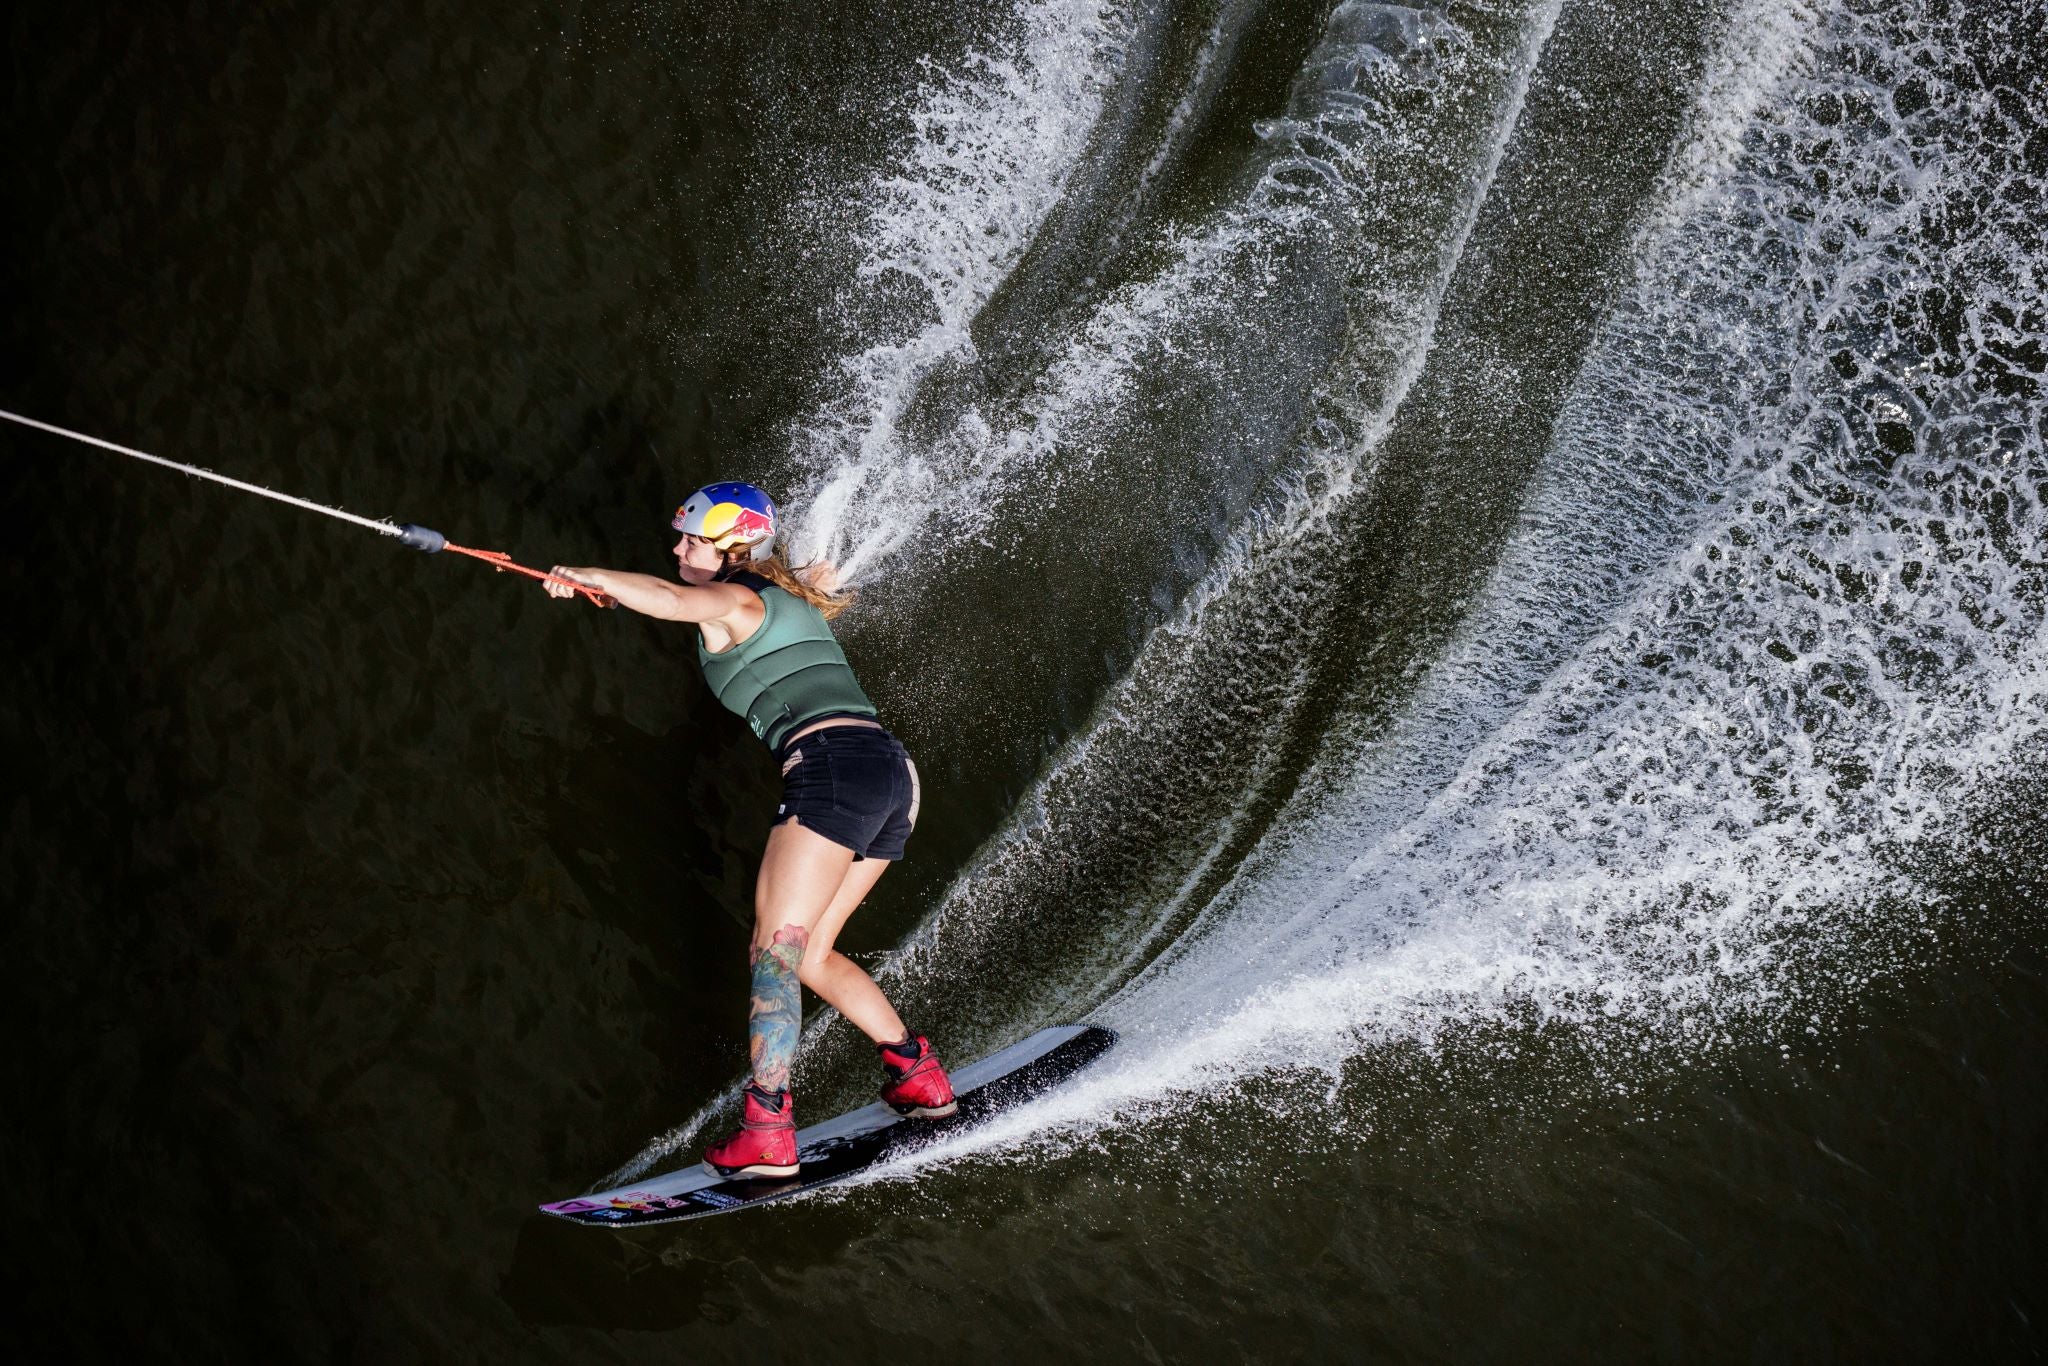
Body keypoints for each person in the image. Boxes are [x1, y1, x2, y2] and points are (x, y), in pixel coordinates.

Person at [544, 481, 955, 1179]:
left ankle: (767, 1129)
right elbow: (680, 602)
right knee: (813, 955)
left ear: (735, 547)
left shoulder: (737, 598)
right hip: (892, 774)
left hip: (829, 769)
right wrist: (617, 591)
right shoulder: (782, 590)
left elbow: (676, 602)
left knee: (775, 951)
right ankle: (918, 1077)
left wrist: (585, 573)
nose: (678, 550)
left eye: (693, 541)